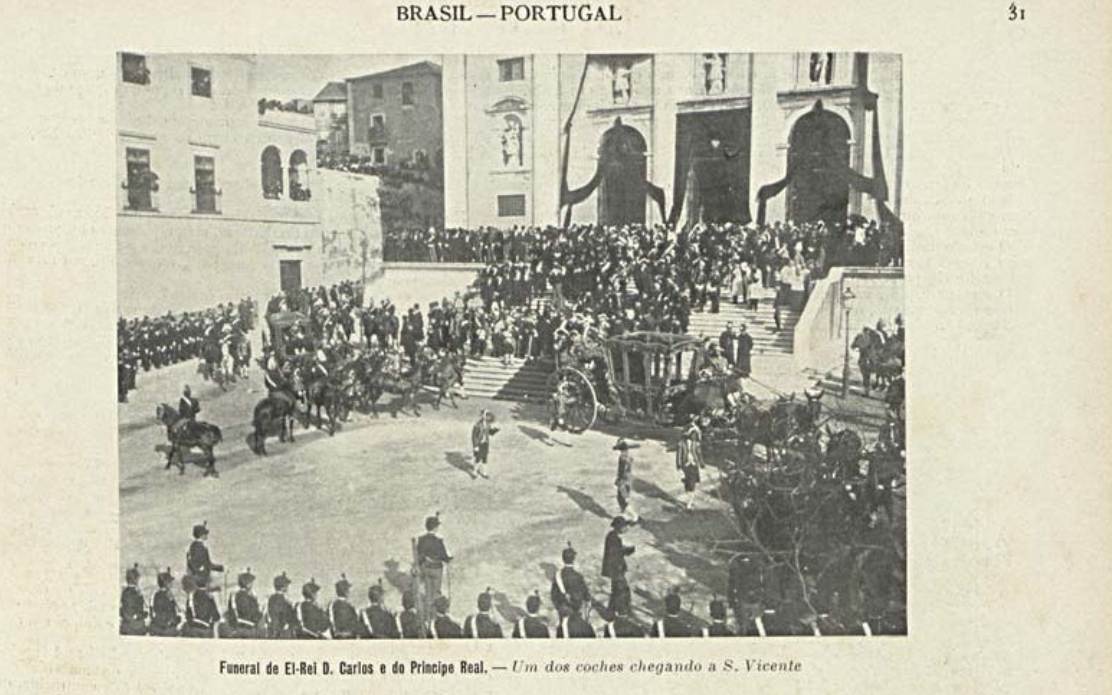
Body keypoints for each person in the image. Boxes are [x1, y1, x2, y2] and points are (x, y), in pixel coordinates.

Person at [601, 516, 635, 613]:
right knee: (622, 591)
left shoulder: (612, 536)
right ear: (619, 527)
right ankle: (622, 611)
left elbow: (616, 551)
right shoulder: (614, 539)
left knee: (616, 591)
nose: (626, 528)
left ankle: (611, 611)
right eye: (624, 526)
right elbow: (616, 554)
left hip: (615, 570)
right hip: (616, 570)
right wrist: (628, 551)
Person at [416, 514, 453, 603]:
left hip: (426, 568)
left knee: (428, 591)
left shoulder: (421, 540)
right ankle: (435, 611)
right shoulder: (438, 541)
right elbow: (444, 556)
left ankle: (428, 609)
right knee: (436, 592)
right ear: (435, 528)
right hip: (436, 569)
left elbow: (419, 553)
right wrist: (449, 559)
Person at [550, 543, 591, 618]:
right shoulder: (578, 576)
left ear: (563, 559)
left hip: (563, 609)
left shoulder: (557, 576)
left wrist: (559, 607)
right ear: (573, 559)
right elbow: (586, 595)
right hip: (576, 609)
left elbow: (553, 595)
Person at [676, 422, 705, 511]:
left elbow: (699, 454)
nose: (694, 436)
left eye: (695, 435)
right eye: (693, 434)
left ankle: (689, 502)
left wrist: (702, 463)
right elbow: (679, 454)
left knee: (692, 483)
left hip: (694, 464)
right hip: (686, 465)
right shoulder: (681, 444)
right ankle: (689, 502)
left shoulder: (696, 444)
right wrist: (678, 464)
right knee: (690, 484)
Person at [226, 568, 262, 638]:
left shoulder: (235, 595)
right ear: (248, 584)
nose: (252, 585)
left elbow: (231, 611)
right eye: (251, 583)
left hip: (238, 628)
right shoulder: (250, 597)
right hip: (249, 629)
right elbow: (255, 614)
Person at [186, 522, 223, 588]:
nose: (206, 535)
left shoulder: (194, 545)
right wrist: (221, 568)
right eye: (205, 533)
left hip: (198, 578)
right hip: (201, 579)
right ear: (201, 535)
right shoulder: (199, 547)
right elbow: (207, 564)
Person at [148, 568, 181, 637]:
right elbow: (171, 612)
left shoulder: (156, 595)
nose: (172, 584)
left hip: (158, 625)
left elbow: (152, 611)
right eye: (170, 582)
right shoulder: (167, 596)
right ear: (166, 583)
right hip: (167, 628)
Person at [613, 439, 639, 523]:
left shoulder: (623, 458)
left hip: (623, 480)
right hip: (627, 479)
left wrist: (619, 480)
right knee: (623, 497)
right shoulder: (629, 456)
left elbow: (622, 470)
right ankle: (626, 514)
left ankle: (633, 515)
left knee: (622, 499)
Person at [119, 564, 147, 635]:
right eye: (137, 578)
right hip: (134, 627)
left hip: (128, 625)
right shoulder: (132, 593)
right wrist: (143, 614)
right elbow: (131, 611)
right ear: (135, 579)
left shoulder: (126, 592)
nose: (138, 580)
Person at [329, 575, 360, 639]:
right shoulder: (351, 607)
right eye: (347, 589)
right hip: (344, 637)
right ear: (346, 591)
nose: (349, 591)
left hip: (340, 636)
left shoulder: (333, 605)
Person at [266, 572, 295, 638]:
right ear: (283, 587)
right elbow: (281, 616)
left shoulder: (272, 598)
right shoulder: (281, 599)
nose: (288, 588)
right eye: (287, 586)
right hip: (282, 632)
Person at [471, 409, 499, 479]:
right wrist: (475, 446)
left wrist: (496, 430)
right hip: (479, 444)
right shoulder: (477, 425)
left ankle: (484, 473)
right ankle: (474, 472)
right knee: (478, 458)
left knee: (484, 458)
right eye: (486, 415)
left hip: (485, 443)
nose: (487, 417)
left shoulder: (487, 424)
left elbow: (490, 433)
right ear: (483, 416)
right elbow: (474, 436)